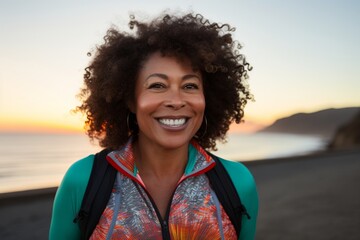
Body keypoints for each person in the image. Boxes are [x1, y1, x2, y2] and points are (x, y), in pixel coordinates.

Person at [50, 12, 258, 240]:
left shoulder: (237, 183)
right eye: (157, 85)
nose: (176, 101)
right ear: (131, 99)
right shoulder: (84, 180)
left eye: (190, 86)